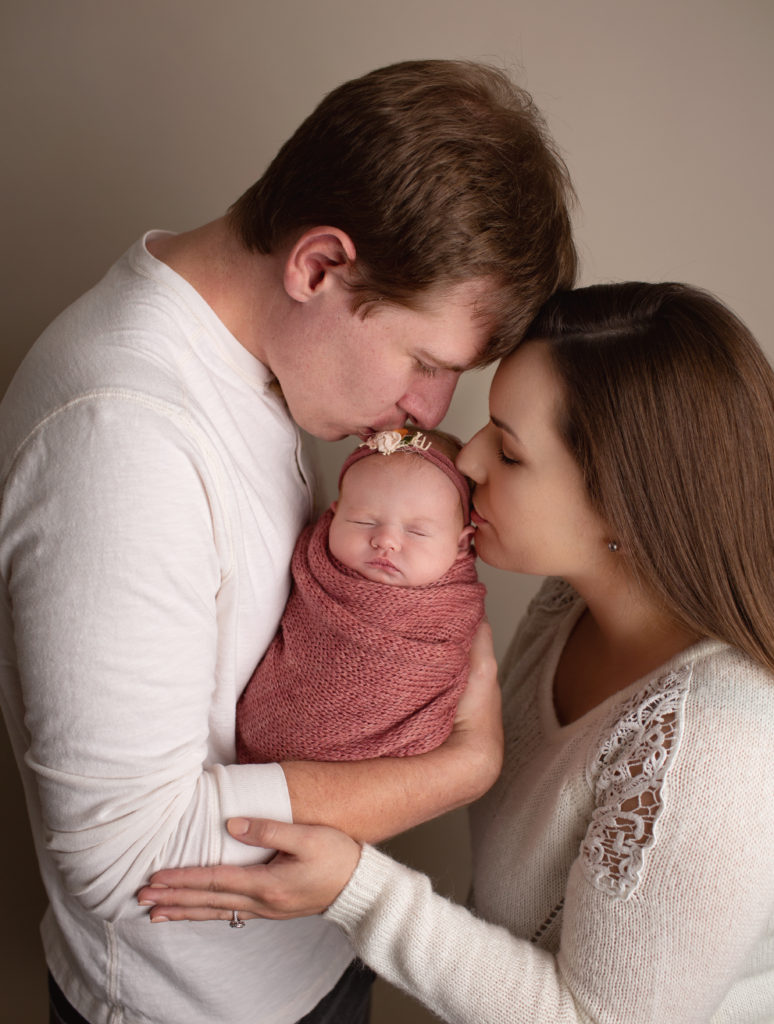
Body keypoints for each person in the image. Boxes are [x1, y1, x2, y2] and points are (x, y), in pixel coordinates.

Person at [0, 59, 577, 1024]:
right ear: (317, 265)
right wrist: (459, 769)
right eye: (426, 363)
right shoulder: (121, 438)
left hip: (315, 944)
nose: (427, 413)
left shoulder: (256, 362)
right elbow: (125, 854)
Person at [141, 282, 774, 1023]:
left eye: (507, 450)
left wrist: (357, 888)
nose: (465, 460)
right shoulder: (573, 604)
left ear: (626, 504)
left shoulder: (718, 755)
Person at [236, 428, 486, 765]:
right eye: (363, 520)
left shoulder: (450, 610)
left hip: (373, 772)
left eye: (417, 531)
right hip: (262, 739)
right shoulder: (315, 569)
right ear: (334, 514)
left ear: (459, 544)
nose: (386, 541)